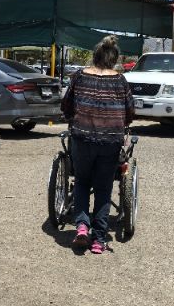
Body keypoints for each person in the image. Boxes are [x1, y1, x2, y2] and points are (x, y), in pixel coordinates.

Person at [60, 35, 134, 254]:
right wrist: (123, 124)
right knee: (103, 188)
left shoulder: (79, 76)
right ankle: (99, 239)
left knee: (82, 182)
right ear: (114, 59)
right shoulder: (120, 80)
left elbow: (66, 105)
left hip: (82, 139)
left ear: (95, 56)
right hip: (110, 141)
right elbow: (130, 112)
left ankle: (82, 227)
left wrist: (73, 118)